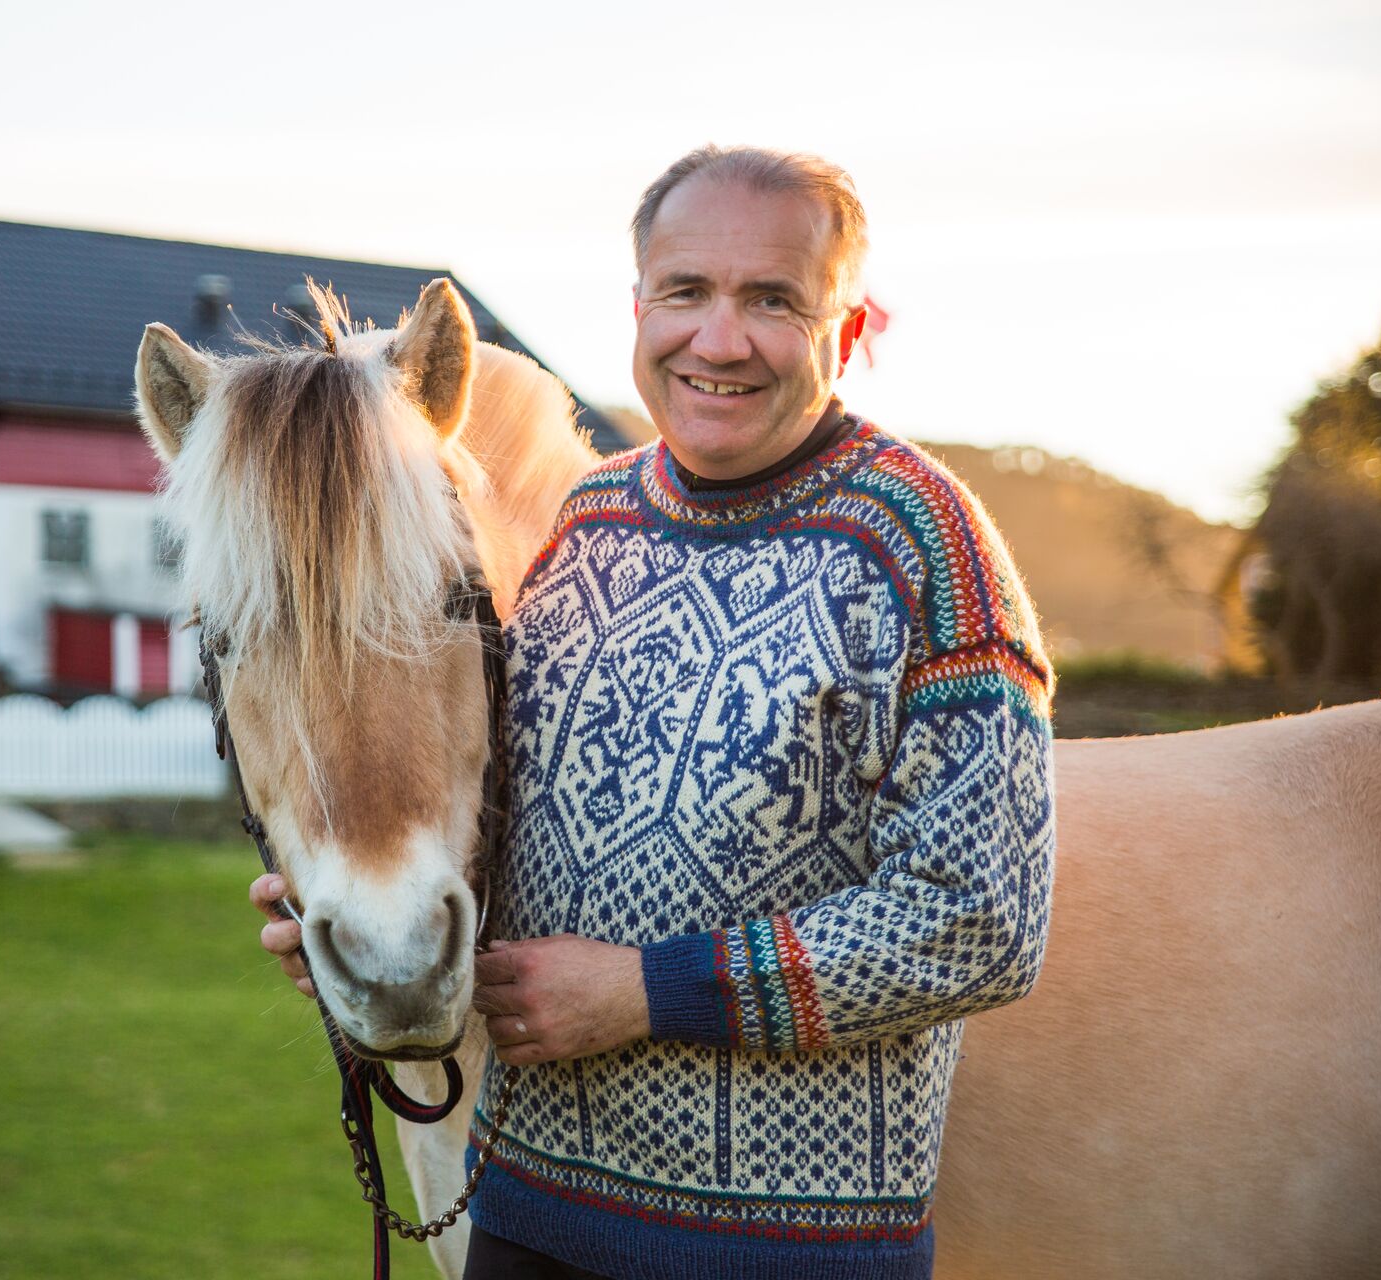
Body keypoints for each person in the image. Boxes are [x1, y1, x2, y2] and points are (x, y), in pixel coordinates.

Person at [254, 145, 1056, 1280]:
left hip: (783, 1251)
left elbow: (981, 919)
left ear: (853, 320)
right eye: (685, 292)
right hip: (527, 1215)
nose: (718, 340)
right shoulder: (584, 528)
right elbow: (527, 829)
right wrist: (357, 924)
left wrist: (646, 993)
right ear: (639, 306)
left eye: (773, 299)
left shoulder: (928, 547)